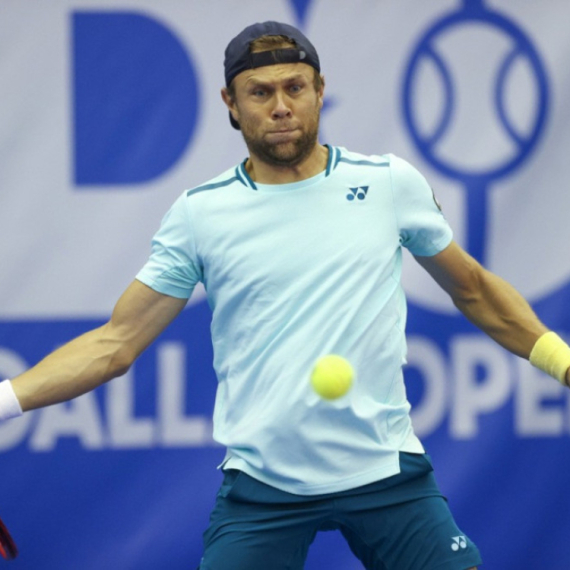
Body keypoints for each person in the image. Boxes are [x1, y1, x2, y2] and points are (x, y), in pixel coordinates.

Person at [1, 20, 569, 570]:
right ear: (231, 103)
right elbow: (115, 343)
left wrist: (562, 363)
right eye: (260, 92)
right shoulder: (201, 214)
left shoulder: (387, 184)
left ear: (320, 91)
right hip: (264, 485)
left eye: (295, 87)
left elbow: (474, 289)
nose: (280, 107)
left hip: (385, 471)